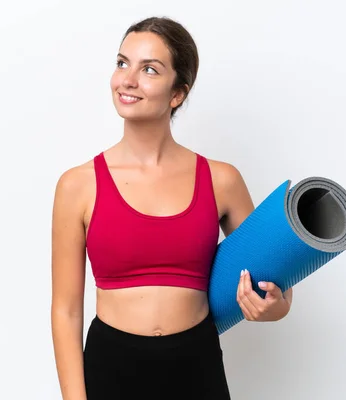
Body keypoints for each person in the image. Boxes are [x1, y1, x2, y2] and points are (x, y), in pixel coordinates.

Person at [51, 16, 294, 400]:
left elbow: (278, 283)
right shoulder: (77, 185)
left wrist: (274, 308)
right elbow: (65, 311)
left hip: (196, 368)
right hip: (111, 369)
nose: (127, 80)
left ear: (177, 93)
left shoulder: (221, 180)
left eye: (149, 69)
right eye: (122, 63)